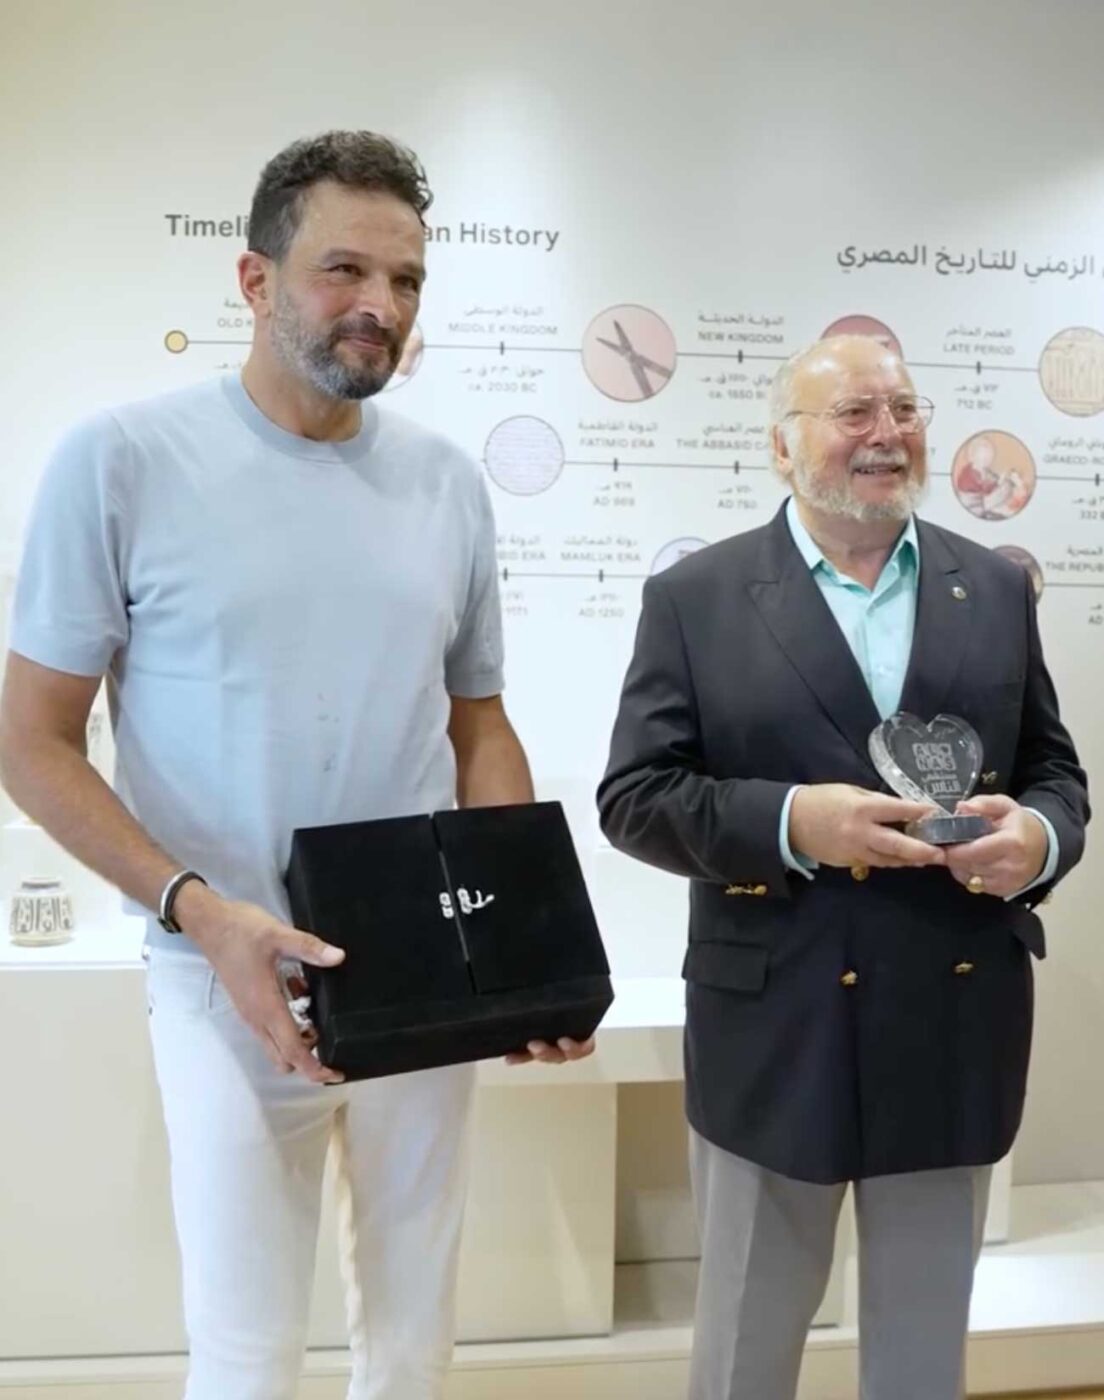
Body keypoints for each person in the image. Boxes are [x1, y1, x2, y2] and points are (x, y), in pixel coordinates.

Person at [0, 130, 591, 1400]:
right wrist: (197, 911)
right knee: (248, 1353)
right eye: (343, 270)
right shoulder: (121, 460)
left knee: (414, 1343)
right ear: (255, 280)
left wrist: (521, 944)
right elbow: (29, 739)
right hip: (220, 970)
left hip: (420, 960)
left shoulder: (447, 485)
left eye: (406, 278)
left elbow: (479, 723)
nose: (380, 303)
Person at [597, 334, 1088, 1400]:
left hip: (951, 1014)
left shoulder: (993, 587)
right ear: (783, 445)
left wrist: (1039, 839)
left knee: (921, 1362)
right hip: (775, 1025)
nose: (887, 434)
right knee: (744, 1353)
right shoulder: (697, 597)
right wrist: (792, 822)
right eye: (854, 412)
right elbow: (635, 797)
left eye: (903, 409)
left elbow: (1054, 772)